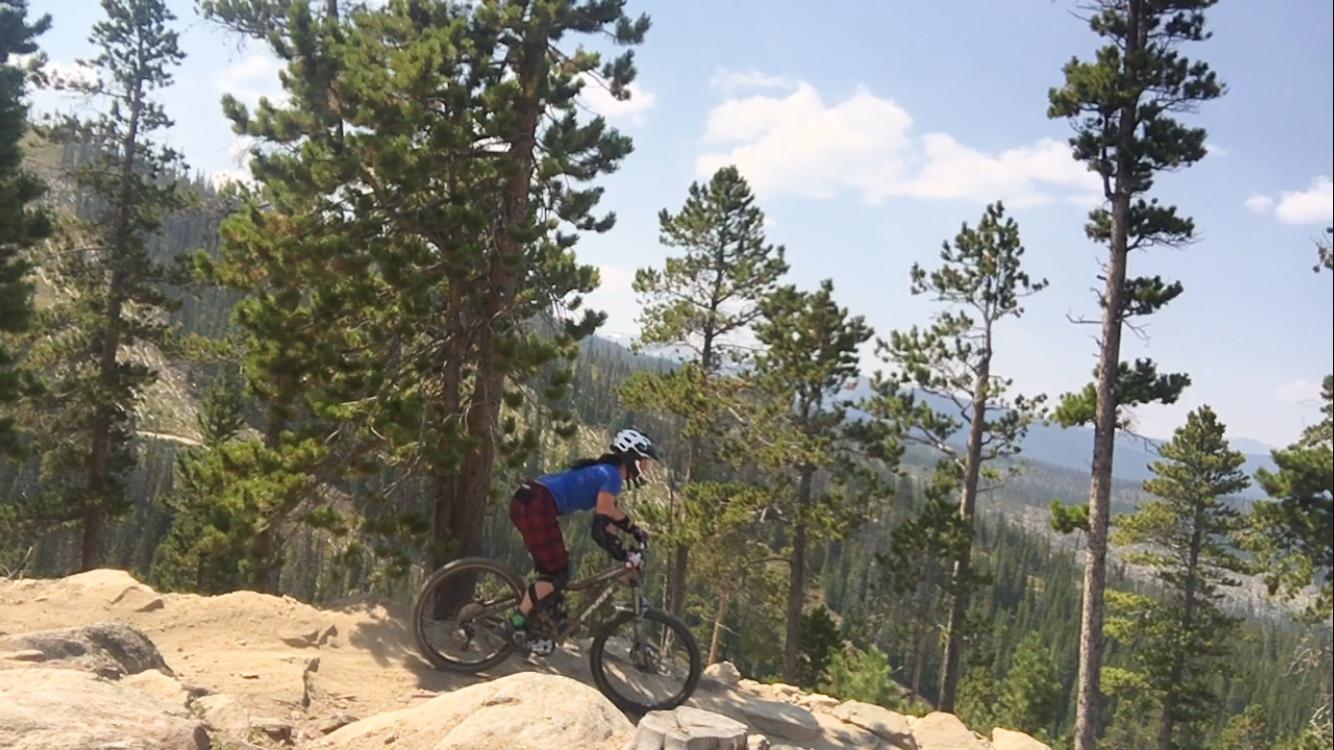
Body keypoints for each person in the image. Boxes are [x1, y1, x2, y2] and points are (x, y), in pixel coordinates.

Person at [498, 428, 657, 653]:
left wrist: (633, 531)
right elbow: (600, 529)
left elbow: (610, 513)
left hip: (529, 500)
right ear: (630, 457)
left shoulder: (606, 473)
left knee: (555, 569)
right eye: (643, 462)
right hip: (536, 505)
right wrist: (625, 553)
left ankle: (535, 627)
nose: (645, 469)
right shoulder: (611, 476)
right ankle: (514, 624)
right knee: (558, 573)